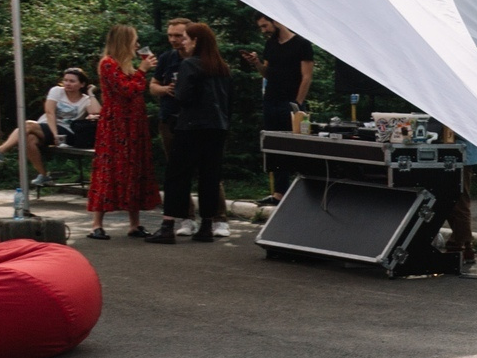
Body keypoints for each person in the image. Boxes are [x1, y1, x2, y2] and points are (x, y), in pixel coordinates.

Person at [147, 25, 232, 244]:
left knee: (177, 175)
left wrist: (177, 88)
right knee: (209, 176)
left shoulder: (189, 64)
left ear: (196, 40)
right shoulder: (221, 67)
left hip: (190, 126)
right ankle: (206, 226)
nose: (183, 42)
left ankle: (167, 226)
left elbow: (183, 96)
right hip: (217, 127)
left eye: (186, 38)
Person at [86, 25, 158, 239]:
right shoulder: (108, 63)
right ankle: (96, 225)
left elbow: (134, 86)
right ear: (124, 42)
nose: (137, 45)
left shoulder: (126, 64)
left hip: (134, 123)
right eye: (134, 41)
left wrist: (140, 70)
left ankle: (134, 224)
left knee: (134, 168)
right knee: (110, 167)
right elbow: (126, 89)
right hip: (117, 124)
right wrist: (143, 70)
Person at [241, 16, 314, 201]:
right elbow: (268, 73)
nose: (263, 30)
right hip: (271, 100)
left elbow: (306, 76)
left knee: (294, 146)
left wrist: (297, 104)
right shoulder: (271, 45)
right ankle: (279, 193)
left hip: (290, 102)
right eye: (260, 27)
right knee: (275, 147)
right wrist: (256, 63)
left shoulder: (301, 44)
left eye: (265, 25)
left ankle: (303, 191)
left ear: (276, 21)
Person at [0, 66, 98, 185]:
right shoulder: (57, 91)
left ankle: (0, 151)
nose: (67, 83)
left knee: (27, 125)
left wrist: (90, 93)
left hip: (68, 132)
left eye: (72, 81)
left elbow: (96, 113)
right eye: (66, 80)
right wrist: (55, 135)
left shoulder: (85, 100)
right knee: (29, 140)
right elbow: (50, 112)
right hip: (49, 126)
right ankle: (44, 176)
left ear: (82, 84)